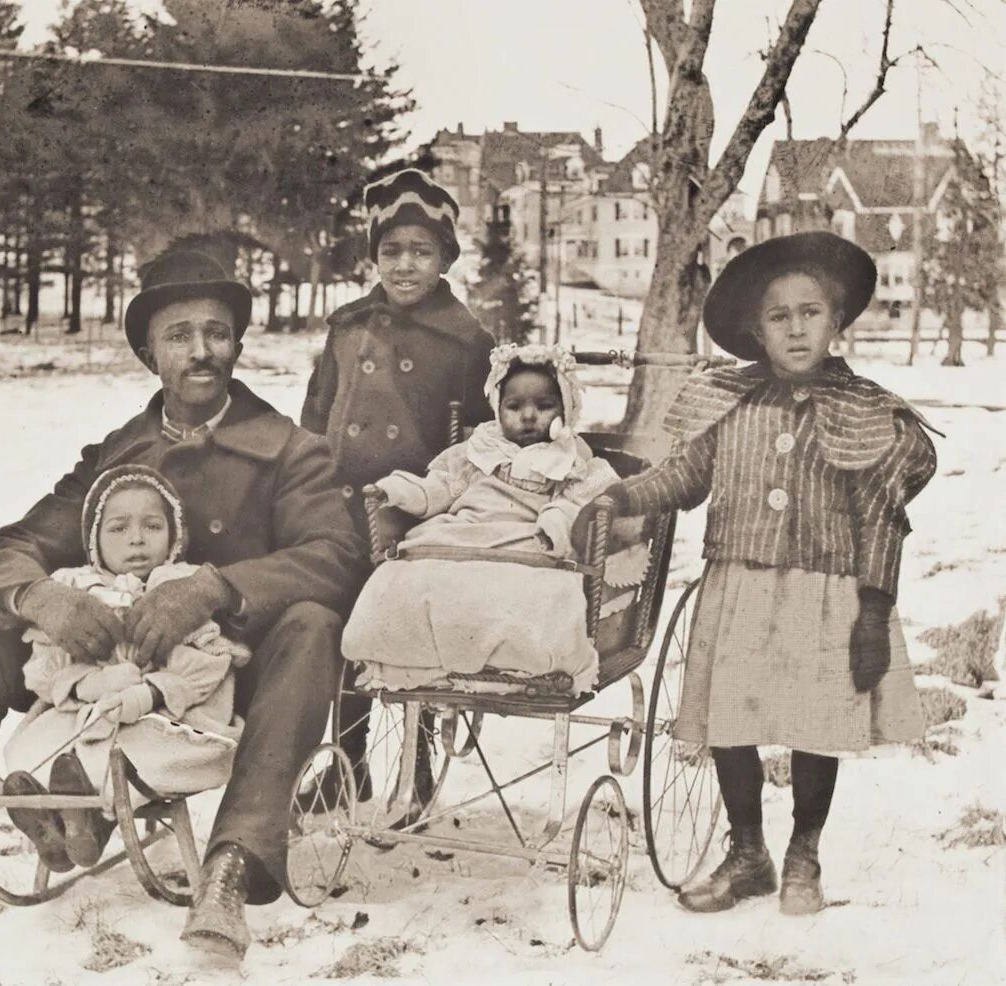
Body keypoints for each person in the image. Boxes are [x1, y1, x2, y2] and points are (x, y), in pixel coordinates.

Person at [0, 251, 365, 974]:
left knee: (314, 625)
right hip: (108, 663)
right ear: (149, 354)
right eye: (179, 335)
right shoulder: (119, 457)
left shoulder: (292, 452)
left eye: (217, 332)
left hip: (227, 671)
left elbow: (333, 554)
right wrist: (38, 596)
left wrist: (213, 589)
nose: (201, 351)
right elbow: (16, 545)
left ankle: (231, 869)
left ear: (238, 343)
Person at [574, 231, 938, 916]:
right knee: (729, 718)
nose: (796, 327)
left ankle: (805, 852)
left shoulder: (864, 414)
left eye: (811, 312)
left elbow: (882, 520)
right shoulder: (726, 402)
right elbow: (684, 477)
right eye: (779, 316)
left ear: (837, 324)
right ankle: (748, 853)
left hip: (824, 590)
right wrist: (621, 496)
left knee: (814, 722)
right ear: (754, 331)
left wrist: (871, 609)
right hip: (737, 582)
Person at [300, 167, 494, 801]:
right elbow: (316, 413)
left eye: (421, 251)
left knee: (408, 635)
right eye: (391, 250)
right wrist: (306, 484)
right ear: (374, 255)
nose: (405, 265)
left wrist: (444, 503)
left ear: (444, 259)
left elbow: (480, 442)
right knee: (341, 631)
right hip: (342, 505)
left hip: (419, 511)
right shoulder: (348, 327)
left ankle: (417, 763)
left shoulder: (467, 341)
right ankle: (347, 763)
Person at [0, 464, 249, 873]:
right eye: (118, 528)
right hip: (89, 714)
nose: (136, 539)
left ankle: (86, 819)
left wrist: (148, 692)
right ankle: (61, 823)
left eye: (152, 526)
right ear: (94, 539)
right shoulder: (77, 589)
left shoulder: (180, 588)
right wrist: (86, 683)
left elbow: (208, 665)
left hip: (166, 716)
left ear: (173, 535)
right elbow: (43, 670)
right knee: (43, 748)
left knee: (141, 754)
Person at [342, 343, 631, 696]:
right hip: (460, 536)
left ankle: (516, 660)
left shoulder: (571, 459)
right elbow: (440, 488)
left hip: (525, 540)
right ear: (498, 408)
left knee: (525, 590)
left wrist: (553, 525)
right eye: (514, 406)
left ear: (566, 408)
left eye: (544, 406)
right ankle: (405, 655)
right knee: (407, 576)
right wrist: (400, 491)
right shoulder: (478, 451)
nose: (528, 416)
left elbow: (579, 502)